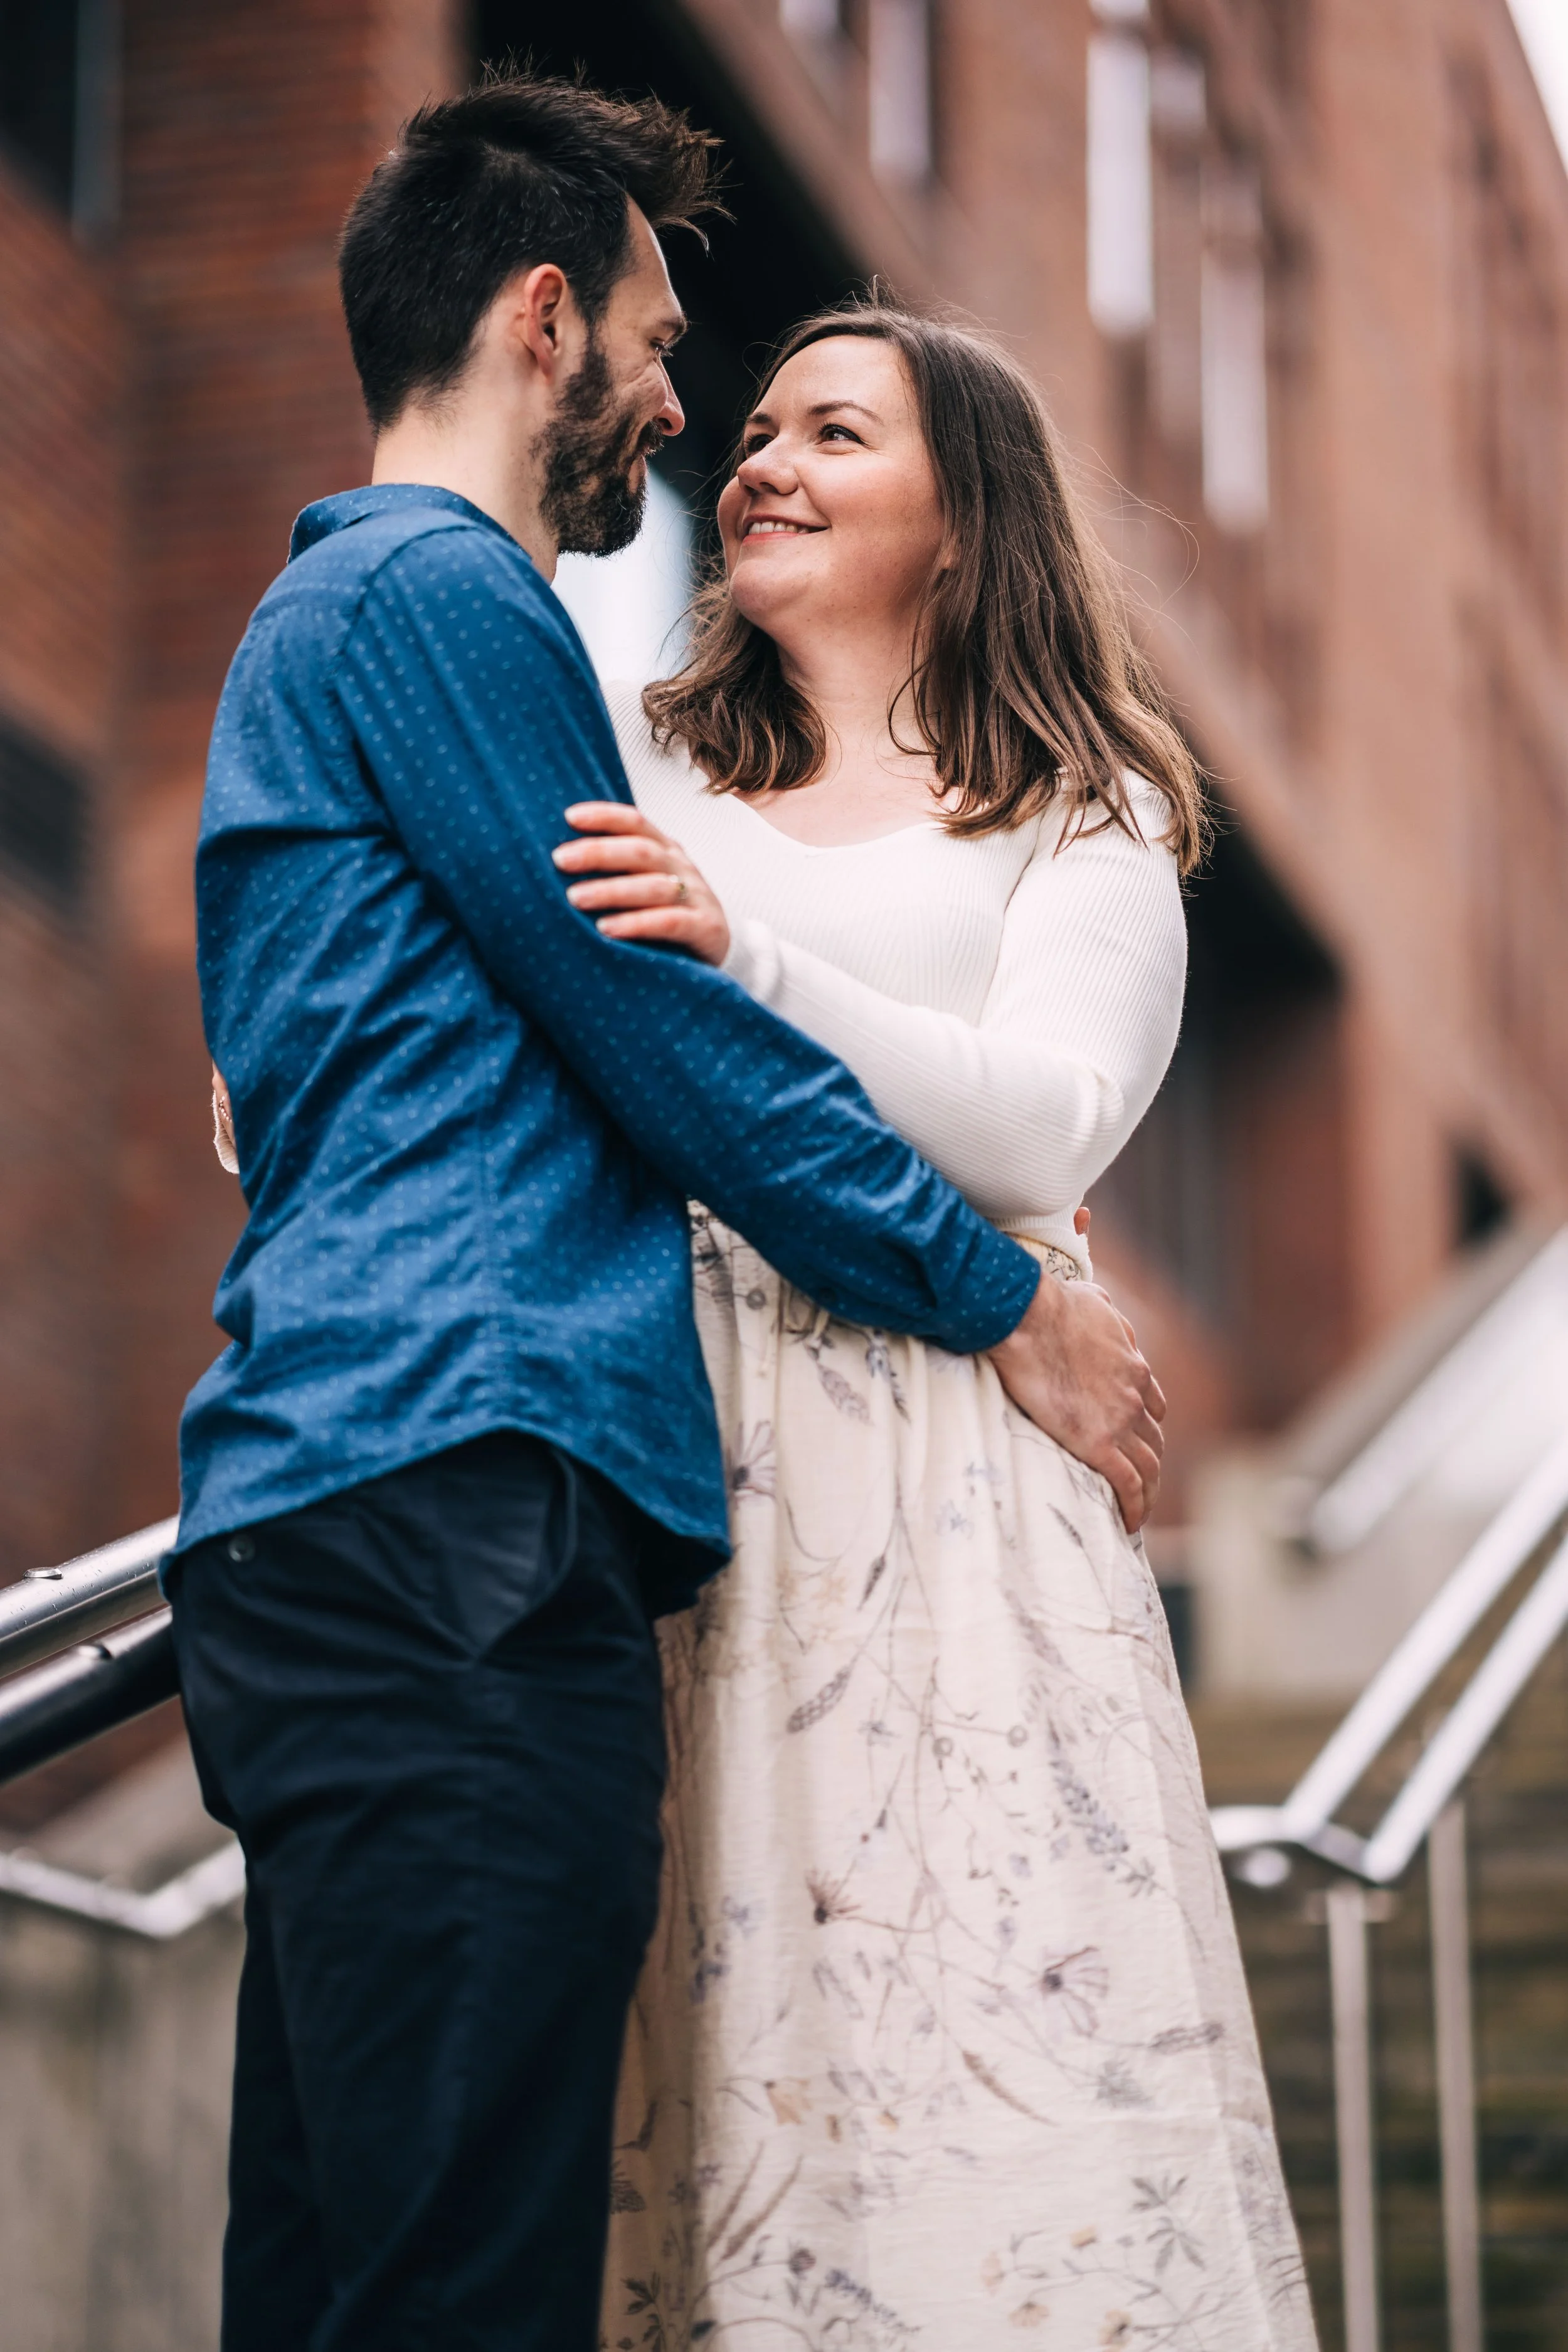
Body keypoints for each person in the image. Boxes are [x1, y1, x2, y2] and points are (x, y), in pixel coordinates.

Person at [171, 78, 1166, 2352]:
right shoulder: (449, 599)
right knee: (461, 2288)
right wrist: (993, 1287)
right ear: (541, 319)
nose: (672, 398)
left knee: (339, 2271)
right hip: (457, 1519)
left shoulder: (346, 624)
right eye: (647, 334)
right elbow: (669, 1049)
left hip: (352, 1515)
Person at [563, 309, 1318, 2348]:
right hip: (672, 1444)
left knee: (974, 2001)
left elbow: (1045, 1114)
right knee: (706, 2038)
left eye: (833, 430)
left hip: (951, 1474)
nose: (759, 462)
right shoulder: (639, 757)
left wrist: (744, 950)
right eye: (750, 431)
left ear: (966, 522)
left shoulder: (1083, 813)